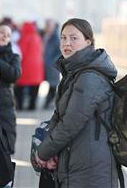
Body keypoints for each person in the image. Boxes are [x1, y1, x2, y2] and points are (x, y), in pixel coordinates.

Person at [35, 18, 118, 188]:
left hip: (90, 169)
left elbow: (71, 123)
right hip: (79, 161)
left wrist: (43, 153)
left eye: (74, 38)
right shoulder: (75, 74)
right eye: (64, 38)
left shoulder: (89, 78)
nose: (67, 43)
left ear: (89, 42)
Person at [0, 25, 21, 154]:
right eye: (2, 32)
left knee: (7, 141)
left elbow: (13, 75)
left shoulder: (14, 57)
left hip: (5, 102)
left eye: (8, 35)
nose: (4, 36)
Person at [15, 21, 44, 111]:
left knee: (20, 87)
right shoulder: (37, 37)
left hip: (26, 66)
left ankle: (20, 105)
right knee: (35, 87)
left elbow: (21, 52)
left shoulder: (24, 37)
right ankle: (32, 105)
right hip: (37, 66)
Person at [42, 19, 61, 109]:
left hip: (52, 65)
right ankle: (47, 102)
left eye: (50, 25)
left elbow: (59, 52)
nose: (48, 27)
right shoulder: (44, 35)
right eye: (47, 25)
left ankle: (48, 102)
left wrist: (53, 62)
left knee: (53, 85)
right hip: (43, 64)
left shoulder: (56, 37)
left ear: (54, 26)